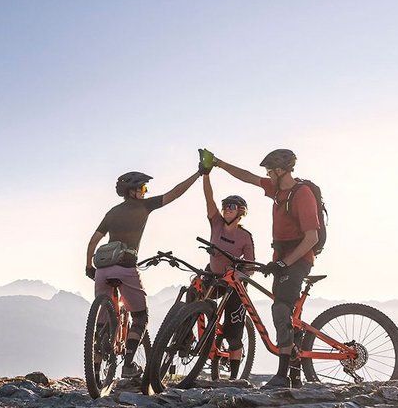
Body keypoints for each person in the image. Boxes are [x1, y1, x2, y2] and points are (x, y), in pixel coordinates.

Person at [205, 147, 319, 390]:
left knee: (280, 309)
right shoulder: (277, 190)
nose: (267, 175)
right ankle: (296, 371)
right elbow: (247, 176)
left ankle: (282, 375)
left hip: (298, 258)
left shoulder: (303, 194)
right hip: (281, 258)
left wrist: (284, 263)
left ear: (280, 170)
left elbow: (312, 238)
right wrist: (219, 163)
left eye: (270, 171)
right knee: (285, 312)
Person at [86, 167, 201, 378]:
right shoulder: (144, 206)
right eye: (143, 188)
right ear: (133, 191)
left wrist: (89, 267)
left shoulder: (111, 212)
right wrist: (197, 174)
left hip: (102, 270)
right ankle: (128, 365)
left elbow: (93, 241)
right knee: (140, 317)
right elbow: (175, 193)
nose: (146, 192)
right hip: (126, 267)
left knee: (101, 322)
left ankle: (94, 371)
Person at [201, 170, 256, 380]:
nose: (225, 210)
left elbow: (249, 267)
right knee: (191, 293)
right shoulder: (216, 223)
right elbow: (209, 199)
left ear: (241, 212)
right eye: (224, 206)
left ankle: (234, 377)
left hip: (234, 284)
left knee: (234, 328)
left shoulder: (245, 236)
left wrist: (240, 274)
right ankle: (185, 336)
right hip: (213, 276)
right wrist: (205, 175)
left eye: (230, 207)